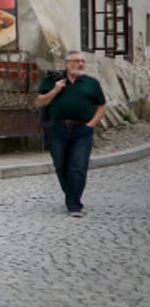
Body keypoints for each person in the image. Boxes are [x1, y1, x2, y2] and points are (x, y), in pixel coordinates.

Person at [37, 50, 106, 217]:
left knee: (78, 167)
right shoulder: (52, 81)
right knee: (61, 166)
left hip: (82, 130)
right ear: (66, 64)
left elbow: (101, 106)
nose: (81, 64)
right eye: (76, 61)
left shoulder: (92, 83)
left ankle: (74, 205)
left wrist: (91, 125)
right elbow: (39, 102)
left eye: (82, 61)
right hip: (57, 129)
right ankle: (71, 194)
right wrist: (55, 91)